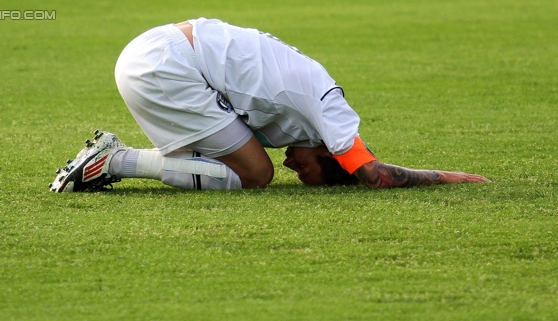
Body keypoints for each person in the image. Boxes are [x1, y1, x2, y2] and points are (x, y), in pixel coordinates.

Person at [50, 18, 489, 193]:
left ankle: (112, 159)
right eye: (311, 173)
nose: (298, 172)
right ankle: (113, 160)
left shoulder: (303, 119)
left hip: (156, 52)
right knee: (256, 174)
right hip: (167, 64)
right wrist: (446, 176)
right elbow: (372, 174)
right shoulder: (332, 112)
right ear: (331, 154)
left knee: (212, 169)